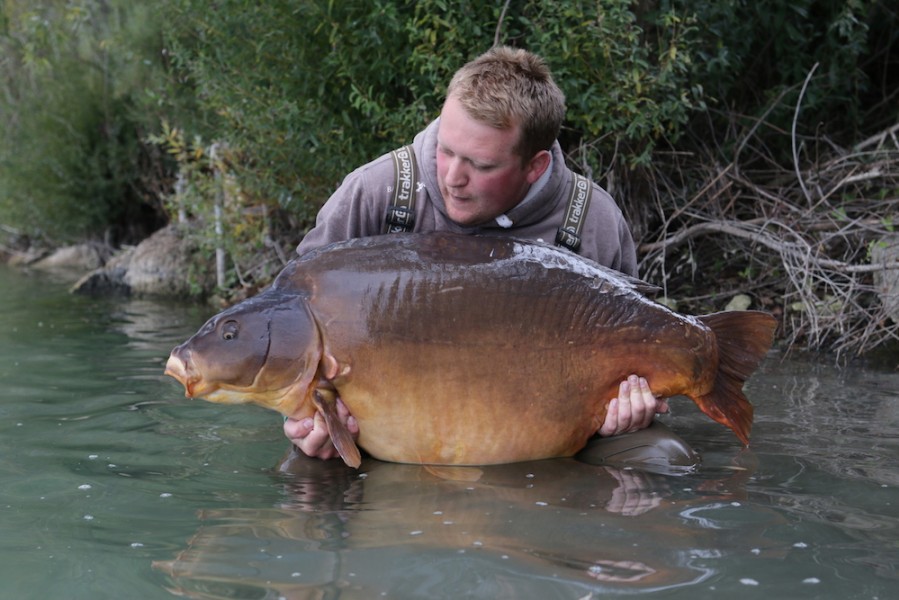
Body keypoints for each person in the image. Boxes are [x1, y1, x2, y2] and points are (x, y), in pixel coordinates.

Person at [283, 46, 696, 468]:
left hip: (546, 432)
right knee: (305, 471)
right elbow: (287, 325)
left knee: (663, 459)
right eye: (446, 150)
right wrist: (303, 418)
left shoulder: (592, 220)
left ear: (534, 166)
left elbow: (637, 344)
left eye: (480, 165)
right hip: (379, 430)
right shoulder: (376, 193)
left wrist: (624, 409)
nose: (452, 177)